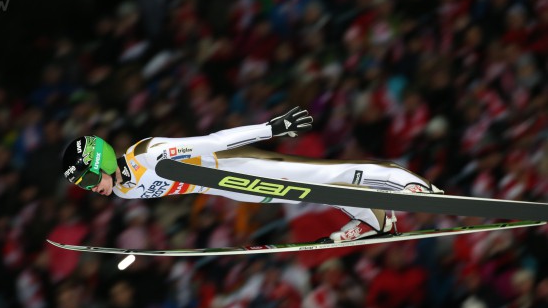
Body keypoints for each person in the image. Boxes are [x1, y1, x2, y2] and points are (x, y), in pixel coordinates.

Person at [61, 107, 442, 242]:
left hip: (237, 166)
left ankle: (411, 184)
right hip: (231, 189)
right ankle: (375, 219)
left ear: (104, 161)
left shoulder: (150, 154)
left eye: (91, 180)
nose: (94, 190)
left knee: (325, 175)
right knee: (307, 193)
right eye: (85, 187)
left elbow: (213, 141)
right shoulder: (125, 193)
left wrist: (271, 128)